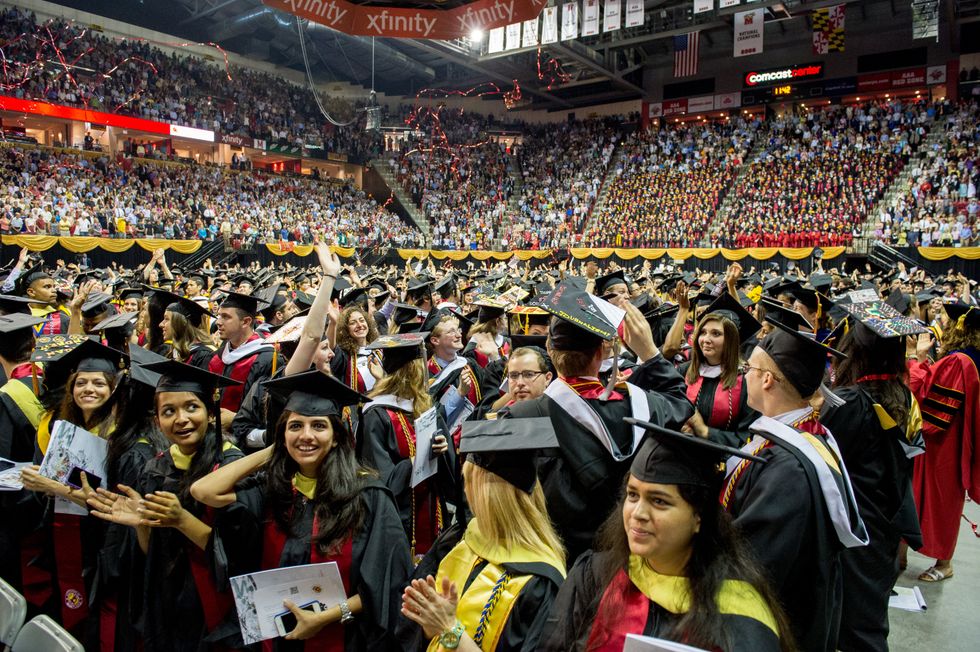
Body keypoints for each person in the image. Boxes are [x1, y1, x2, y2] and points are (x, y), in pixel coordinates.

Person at [189, 369, 413, 650]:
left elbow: (388, 581)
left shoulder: (368, 495)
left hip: (342, 637)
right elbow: (203, 491)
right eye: (295, 426)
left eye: (318, 426)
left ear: (336, 436)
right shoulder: (273, 490)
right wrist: (274, 450)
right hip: (277, 638)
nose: (306, 435)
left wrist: (327, 617)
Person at [541, 423, 791, 652]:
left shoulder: (741, 619)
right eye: (632, 495)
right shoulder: (594, 576)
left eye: (659, 501)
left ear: (699, 516)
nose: (638, 513)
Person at [503, 282, 694, 566]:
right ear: (601, 353)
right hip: (627, 556)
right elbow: (680, 401)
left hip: (558, 561)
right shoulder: (639, 406)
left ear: (549, 351)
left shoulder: (522, 418)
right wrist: (651, 354)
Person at [720, 318, 868, 652]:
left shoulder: (787, 470)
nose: (744, 375)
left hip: (780, 624)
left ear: (767, 379)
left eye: (749, 368)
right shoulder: (808, 434)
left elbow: (756, 563)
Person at [86, 360, 244, 650]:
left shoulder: (231, 468)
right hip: (168, 601)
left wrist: (181, 519)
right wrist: (143, 525)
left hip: (214, 603)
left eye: (192, 407)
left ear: (211, 412)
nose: (181, 419)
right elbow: (152, 557)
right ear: (157, 421)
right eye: (168, 411)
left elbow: (240, 555)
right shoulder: (156, 468)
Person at [401, 417, 567, 652]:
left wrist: (449, 629)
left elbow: (447, 629)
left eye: (470, 481)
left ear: (491, 498)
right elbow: (415, 633)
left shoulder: (541, 583)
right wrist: (430, 623)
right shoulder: (461, 538)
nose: (466, 490)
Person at [820, 307, 927, 652]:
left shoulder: (850, 401)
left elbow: (825, 461)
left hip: (852, 527)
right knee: (868, 619)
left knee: (852, 626)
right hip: (885, 522)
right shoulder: (903, 397)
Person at [19, 339, 127, 647]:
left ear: (114, 389)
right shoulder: (63, 427)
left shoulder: (122, 437)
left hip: (103, 544)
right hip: (66, 532)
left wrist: (54, 486)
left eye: (99, 383)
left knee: (96, 618)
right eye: (81, 383)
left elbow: (114, 502)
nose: (88, 389)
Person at [359, 333, 457, 561]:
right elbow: (379, 479)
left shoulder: (425, 406)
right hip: (398, 520)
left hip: (432, 510)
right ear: (412, 371)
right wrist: (415, 461)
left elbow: (450, 477)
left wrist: (442, 450)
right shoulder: (377, 415)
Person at [907, 303, 980, 583]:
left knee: (943, 499)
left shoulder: (958, 361)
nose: (943, 325)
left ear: (961, 328)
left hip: (944, 441)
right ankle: (903, 554)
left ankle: (945, 563)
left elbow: (930, 401)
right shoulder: (968, 358)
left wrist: (915, 359)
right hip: (955, 437)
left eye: (947, 322)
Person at [679, 293, 761, 449]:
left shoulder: (747, 381)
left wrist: (704, 431)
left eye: (716, 334)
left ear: (731, 340)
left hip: (721, 459)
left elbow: (747, 438)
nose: (706, 339)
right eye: (703, 332)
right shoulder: (685, 370)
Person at [209, 291, 283, 426]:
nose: (218, 322)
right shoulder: (217, 356)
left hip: (246, 436)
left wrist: (236, 419)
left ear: (246, 322)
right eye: (219, 315)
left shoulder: (268, 359)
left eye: (225, 317)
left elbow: (269, 411)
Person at [158, 293, 216, 369]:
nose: (161, 324)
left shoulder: (203, 356)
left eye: (166, 319)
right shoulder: (174, 352)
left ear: (181, 323)